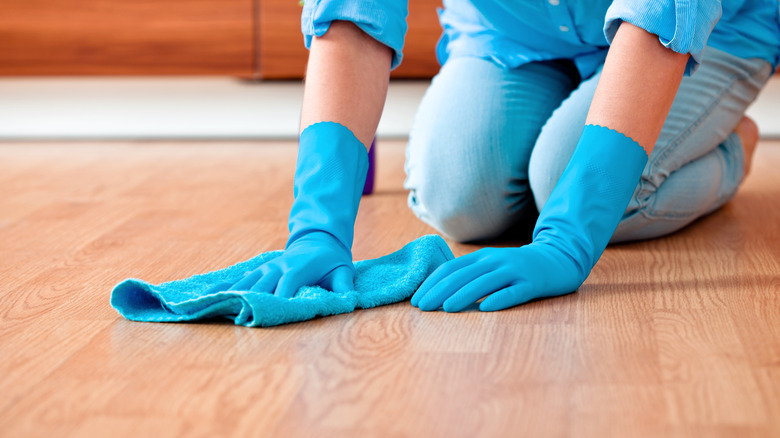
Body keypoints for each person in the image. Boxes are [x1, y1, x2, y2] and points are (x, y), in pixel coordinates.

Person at [229, 0, 780, 312]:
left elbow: (664, 14)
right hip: (515, 31)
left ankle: (732, 148)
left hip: (706, 32)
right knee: (458, 200)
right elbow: (353, 9)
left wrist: (566, 240)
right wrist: (317, 230)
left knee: (586, 189)